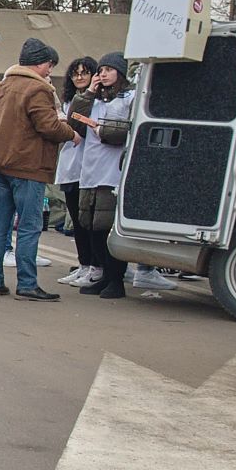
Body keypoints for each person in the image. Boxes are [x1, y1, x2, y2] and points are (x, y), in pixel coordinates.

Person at [0, 36, 79, 301]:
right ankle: (26, 283)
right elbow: (48, 126)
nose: (50, 71)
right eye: (49, 65)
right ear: (38, 64)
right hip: (27, 167)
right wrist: (70, 132)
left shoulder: (1, 86)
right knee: (29, 226)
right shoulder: (38, 90)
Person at [76, 52, 139, 299]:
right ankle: (104, 276)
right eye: (100, 70)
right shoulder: (96, 99)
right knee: (91, 227)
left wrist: (102, 129)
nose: (102, 74)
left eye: (108, 70)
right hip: (90, 171)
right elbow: (75, 121)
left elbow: (127, 130)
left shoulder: (129, 97)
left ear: (120, 73)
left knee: (107, 228)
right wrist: (89, 92)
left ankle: (116, 279)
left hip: (112, 172)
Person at [54, 57, 101, 286]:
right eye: (75, 73)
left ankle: (94, 266)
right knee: (76, 220)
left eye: (85, 72)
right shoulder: (68, 101)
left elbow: (77, 126)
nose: (80, 77)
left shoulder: (98, 101)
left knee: (89, 222)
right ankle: (83, 265)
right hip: (70, 167)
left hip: (90, 169)